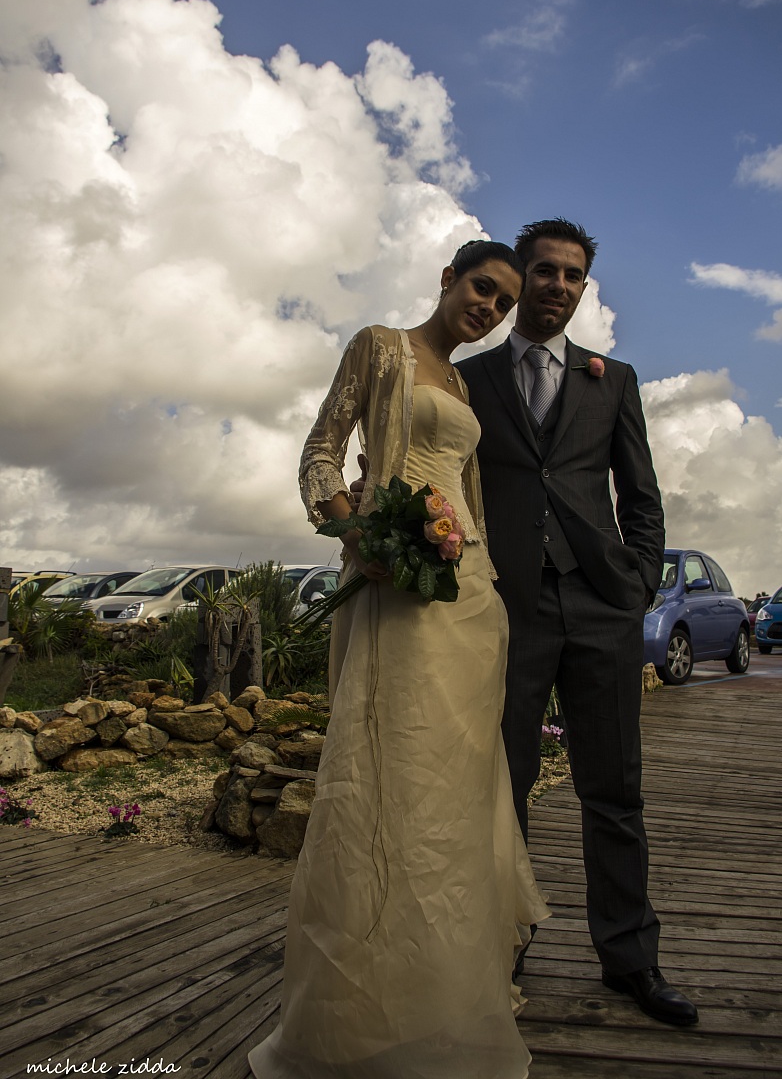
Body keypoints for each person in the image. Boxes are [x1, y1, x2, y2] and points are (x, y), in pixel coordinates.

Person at [248, 241, 550, 1079]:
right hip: (395, 586)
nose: (488, 308)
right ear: (448, 278)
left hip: (471, 595)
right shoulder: (381, 347)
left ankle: (449, 999)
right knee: (388, 782)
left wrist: (480, 565)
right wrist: (355, 532)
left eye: (502, 303)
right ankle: (360, 1015)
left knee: (454, 796)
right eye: (481, 289)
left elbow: (470, 493)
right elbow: (320, 452)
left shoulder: (463, 384)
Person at [456, 218, 698, 1027]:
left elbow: (642, 495)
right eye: (545, 272)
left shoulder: (614, 379)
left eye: (573, 275)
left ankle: (631, 959)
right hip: (508, 608)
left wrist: (635, 584)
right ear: (521, 279)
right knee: (504, 788)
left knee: (615, 788)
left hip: (601, 606)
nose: (558, 285)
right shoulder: (473, 378)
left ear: (584, 287)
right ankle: (502, 950)